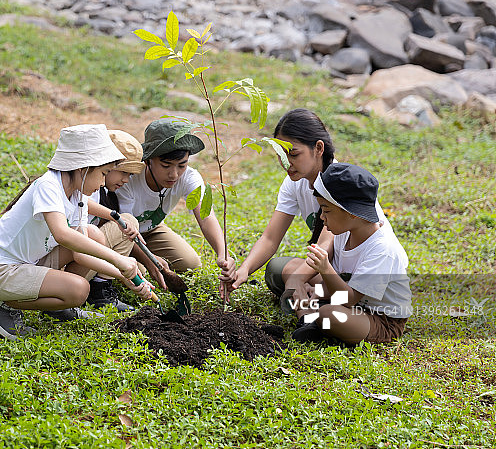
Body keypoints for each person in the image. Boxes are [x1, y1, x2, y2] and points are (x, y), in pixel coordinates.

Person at [0, 124, 152, 340]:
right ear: (83, 168)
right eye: (103, 173)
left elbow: (80, 252)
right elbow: (62, 234)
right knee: (78, 290)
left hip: (27, 264)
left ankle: (56, 305)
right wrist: (118, 259)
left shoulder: (77, 196)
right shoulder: (48, 185)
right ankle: (1, 304)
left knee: (92, 236)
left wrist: (125, 275)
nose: (104, 182)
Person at [218, 108, 337, 309]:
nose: (286, 163)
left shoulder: (340, 182)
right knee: (276, 269)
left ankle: (337, 302)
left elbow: (325, 248)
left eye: (294, 154)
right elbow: (270, 238)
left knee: (294, 276)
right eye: (281, 155)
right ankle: (322, 298)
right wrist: (244, 270)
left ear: (318, 148)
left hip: (355, 274)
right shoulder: (294, 183)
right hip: (327, 271)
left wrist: (297, 281)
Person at [289, 163, 411, 345]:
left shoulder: (383, 250)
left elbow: (349, 299)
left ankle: (312, 318)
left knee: (329, 314)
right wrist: (318, 289)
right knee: (290, 269)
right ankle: (306, 321)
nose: (321, 217)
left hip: (378, 317)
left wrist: (325, 269)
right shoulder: (344, 228)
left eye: (327, 210)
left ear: (352, 213)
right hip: (345, 291)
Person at [115, 119, 234, 289]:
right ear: (148, 160)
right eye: (166, 165)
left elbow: (206, 216)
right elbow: (121, 229)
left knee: (190, 263)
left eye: (182, 165)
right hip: (124, 235)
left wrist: (223, 254)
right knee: (139, 269)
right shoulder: (129, 180)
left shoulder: (189, 178)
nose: (174, 174)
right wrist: (149, 260)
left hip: (152, 230)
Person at [85, 129, 165, 311]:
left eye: (130, 175)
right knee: (128, 220)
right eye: (123, 172)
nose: (126, 180)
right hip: (71, 262)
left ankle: (102, 282)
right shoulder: (85, 188)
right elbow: (80, 203)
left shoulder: (105, 193)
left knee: (139, 269)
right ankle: (99, 290)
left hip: (83, 257)